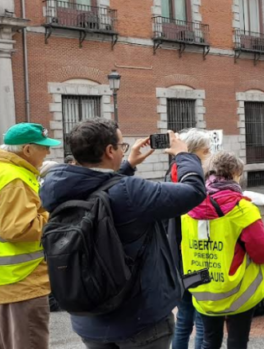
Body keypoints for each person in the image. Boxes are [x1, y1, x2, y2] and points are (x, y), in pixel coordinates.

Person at [41, 118, 206, 348]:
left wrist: (126, 166)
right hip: (139, 321)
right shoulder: (131, 191)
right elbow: (194, 191)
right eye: (121, 145)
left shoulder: (56, 188)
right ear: (110, 150)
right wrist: (184, 155)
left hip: (88, 320)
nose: (122, 150)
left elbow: (103, 191)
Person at [181, 151, 264, 349]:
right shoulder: (242, 209)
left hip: (201, 286)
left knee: (209, 341)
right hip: (238, 291)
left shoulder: (188, 206)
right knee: (237, 342)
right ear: (235, 174)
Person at [0, 123, 60, 349]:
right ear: (27, 150)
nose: (47, 152)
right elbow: (18, 229)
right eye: (43, 148)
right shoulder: (14, 179)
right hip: (20, 282)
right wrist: (52, 213)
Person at [168, 129, 213, 349]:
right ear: (193, 153)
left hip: (177, 260)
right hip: (195, 258)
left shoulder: (172, 174)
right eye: (206, 151)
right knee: (202, 316)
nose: (210, 154)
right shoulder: (196, 183)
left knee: (184, 316)